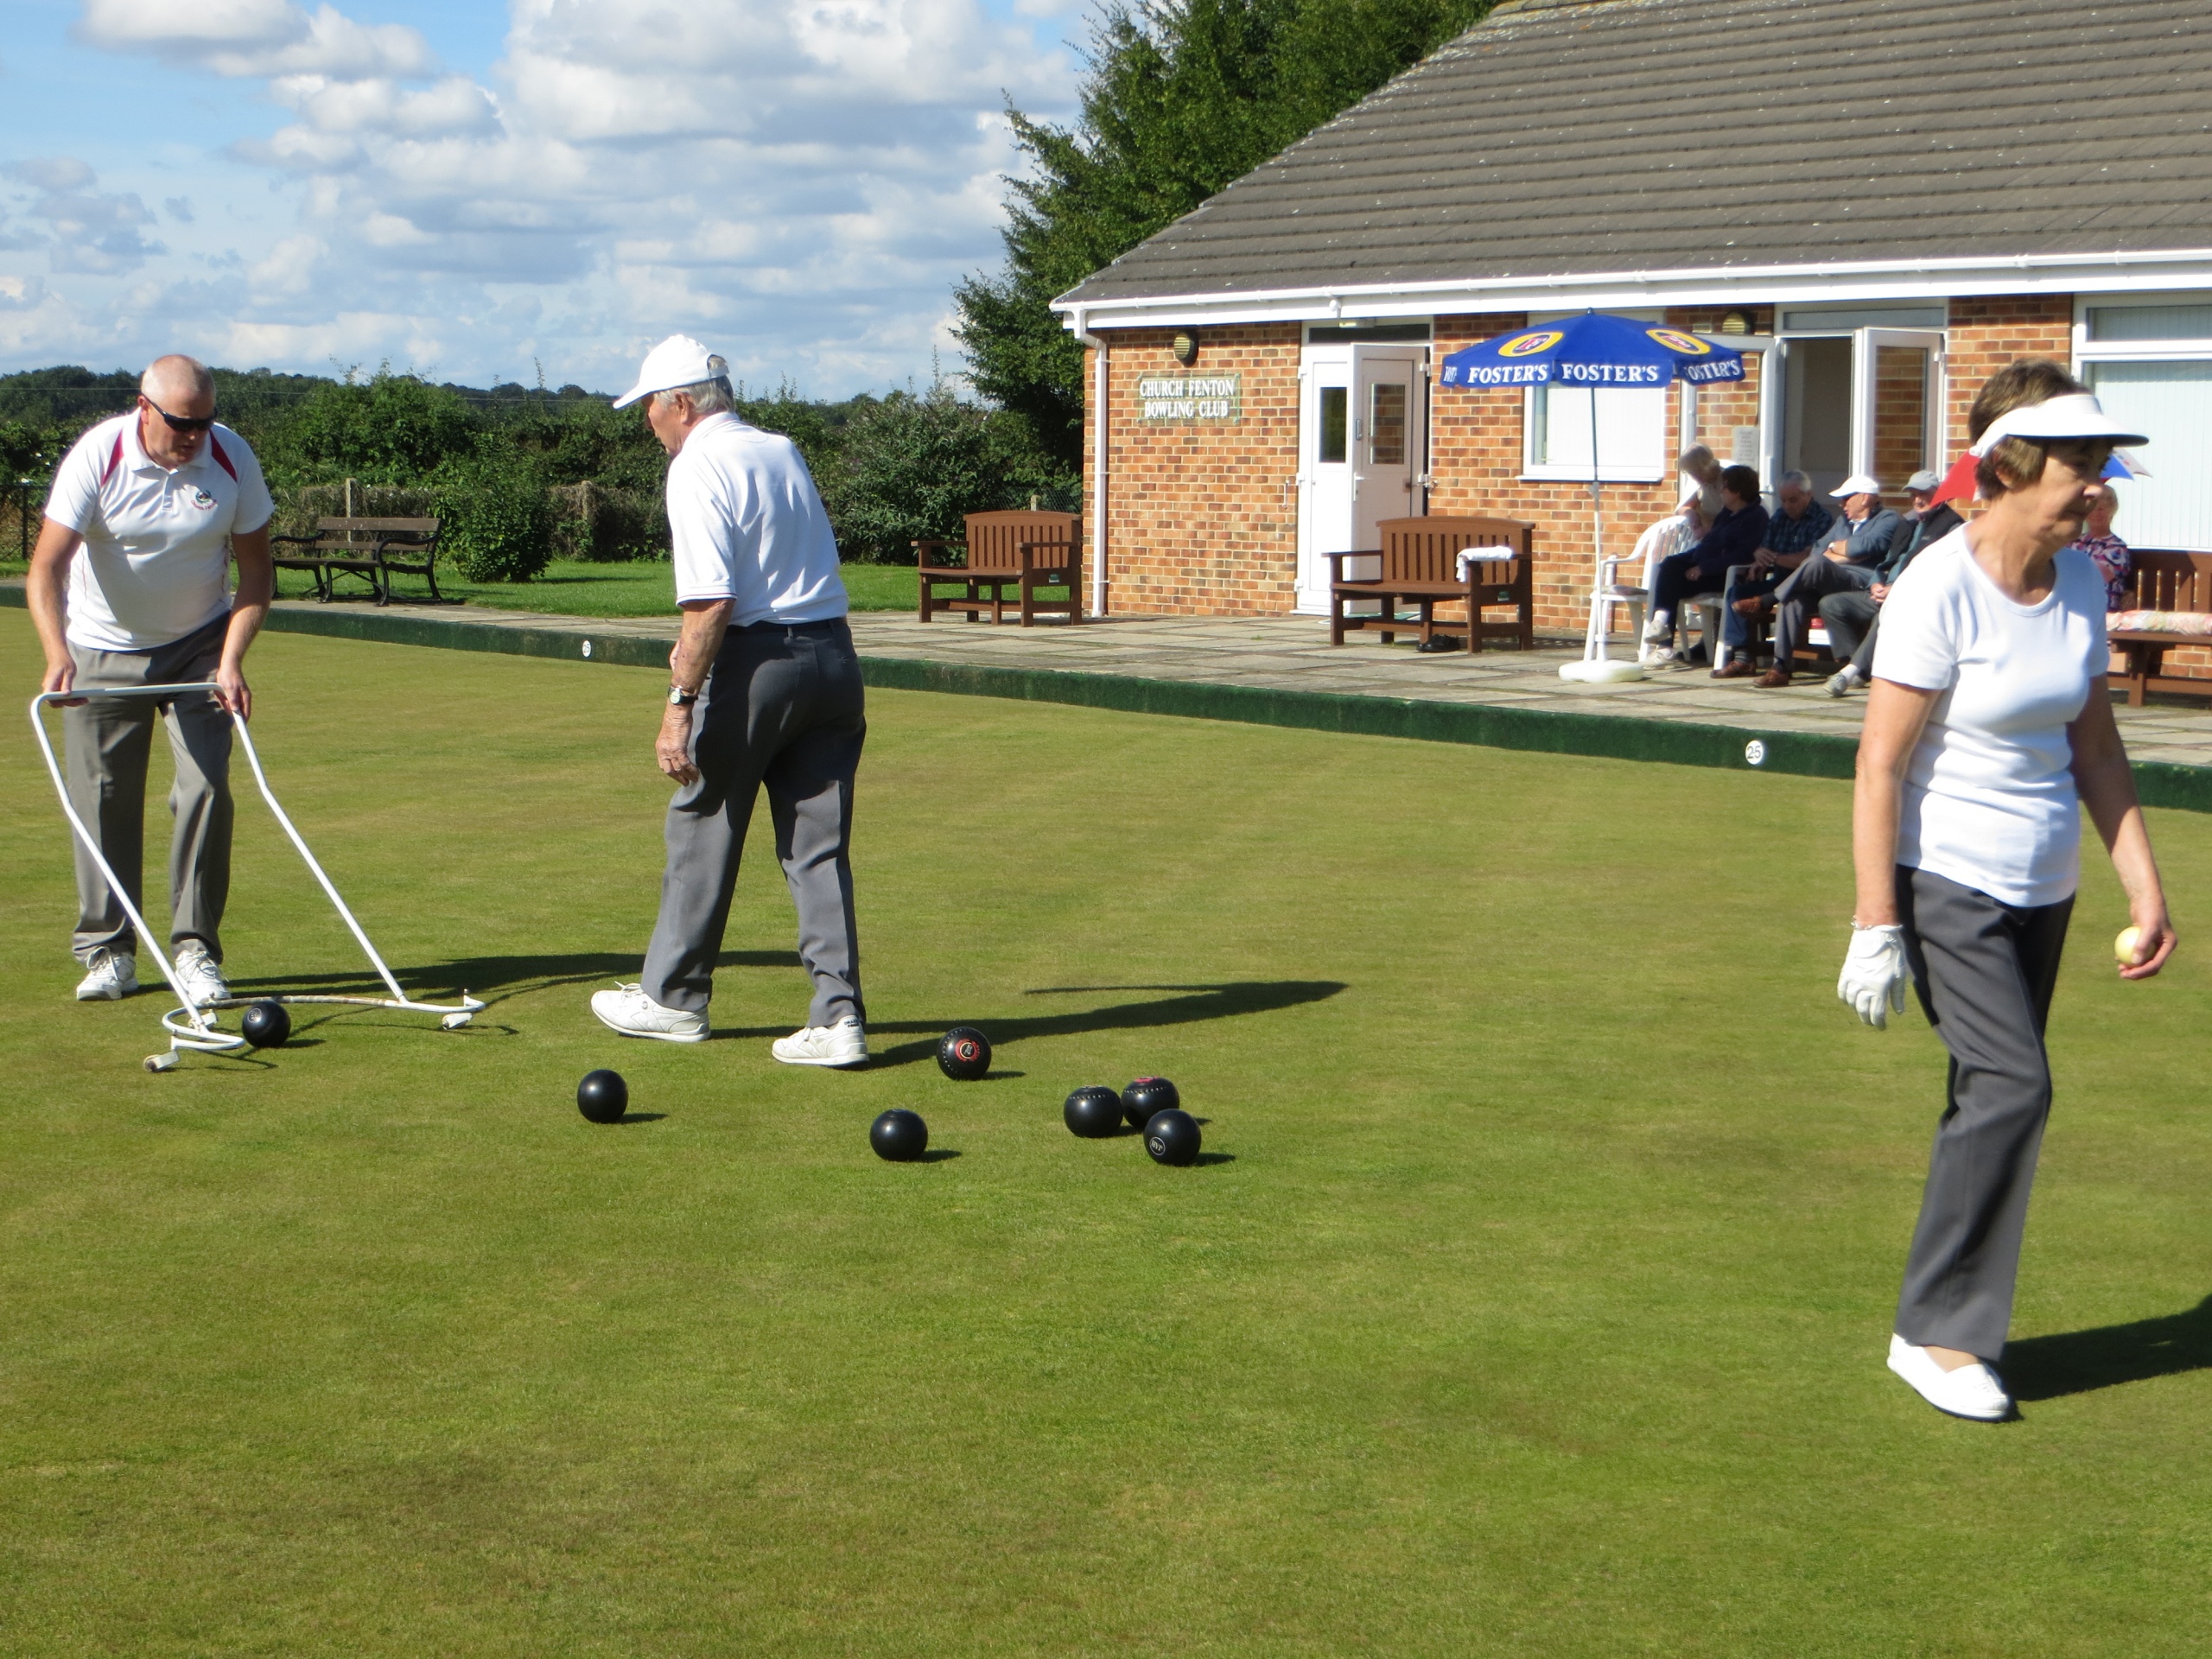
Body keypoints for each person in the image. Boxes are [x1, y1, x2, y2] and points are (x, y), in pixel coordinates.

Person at [1839, 359, 2175, 1421]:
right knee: (2015, 1088)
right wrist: (1874, 924)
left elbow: (2096, 744)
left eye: (2100, 462)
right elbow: (1880, 764)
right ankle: (1937, 1336)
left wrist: (2144, 888)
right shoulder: (1939, 585)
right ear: (2014, 466)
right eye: (2078, 462)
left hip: (2045, 882)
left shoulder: (2079, 578)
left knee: (1989, 1093)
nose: (2096, 482)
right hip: (1947, 879)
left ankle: (1937, 1320)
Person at [589, 335, 870, 1066]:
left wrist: (678, 704)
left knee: (701, 823)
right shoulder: (781, 448)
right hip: (834, 656)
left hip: (758, 665)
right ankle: (839, 1019)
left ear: (681, 403)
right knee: (819, 850)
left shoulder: (695, 466)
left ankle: (675, 999)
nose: (647, 420)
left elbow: (710, 606)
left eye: (649, 405)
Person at [26, 355, 274, 1007]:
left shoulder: (230, 458)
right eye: (180, 422)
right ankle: (110, 953)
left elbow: (256, 575)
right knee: (104, 797)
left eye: (205, 421)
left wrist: (231, 659)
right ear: (144, 406)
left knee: (206, 787)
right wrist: (57, 653)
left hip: (200, 647)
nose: (194, 435)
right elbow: (46, 569)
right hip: (102, 646)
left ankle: (195, 952)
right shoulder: (98, 455)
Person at [1738, 474, 1901, 687]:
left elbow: (1865, 546)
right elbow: (1818, 548)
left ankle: (1767, 599)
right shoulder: (1843, 521)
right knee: (1793, 598)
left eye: (1846, 498)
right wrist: (1842, 553)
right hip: (1829, 580)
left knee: (1816, 564)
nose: (1841, 503)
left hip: (1860, 582)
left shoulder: (1888, 519)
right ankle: (1781, 668)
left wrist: (1838, 550)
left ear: (1865, 498)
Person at [1822, 469, 1962, 697]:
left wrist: (1897, 589)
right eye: (1913, 495)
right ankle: (1857, 665)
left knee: (1886, 614)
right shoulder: (1908, 524)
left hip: (1915, 599)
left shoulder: (1952, 527)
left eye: (1924, 494)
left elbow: (1942, 573)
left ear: (1941, 495)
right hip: (1883, 592)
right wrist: (1877, 582)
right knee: (1832, 604)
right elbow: (1889, 560)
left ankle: (1850, 671)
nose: (1918, 500)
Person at [1700, 472, 1834, 671]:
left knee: (1785, 593)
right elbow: (1763, 549)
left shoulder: (1822, 519)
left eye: (1793, 500)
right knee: (1737, 593)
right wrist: (1759, 559)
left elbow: (1806, 560)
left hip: (1806, 585)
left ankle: (1777, 658)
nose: (1788, 505)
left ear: (1808, 495)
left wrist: (1773, 557)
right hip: (1779, 579)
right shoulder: (1780, 516)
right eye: (1784, 500)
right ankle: (1742, 655)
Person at [1638, 464, 1769, 661]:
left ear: (1738, 492)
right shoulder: (1726, 514)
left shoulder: (1756, 517)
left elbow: (1742, 555)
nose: (1721, 491)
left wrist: (1704, 568)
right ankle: (1662, 624)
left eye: (1724, 487)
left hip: (1729, 576)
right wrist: (1692, 560)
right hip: (1708, 568)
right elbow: (1709, 544)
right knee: (1670, 566)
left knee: (1672, 581)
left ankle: (1664, 641)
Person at [2063, 482, 2131, 611]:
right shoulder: (2076, 541)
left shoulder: (2116, 547)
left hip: (2100, 606)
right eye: (2093, 508)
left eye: (2102, 509)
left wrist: (2069, 566)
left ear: (2111, 513)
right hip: (2073, 603)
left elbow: (2096, 576)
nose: (2096, 514)